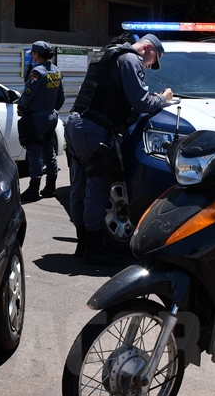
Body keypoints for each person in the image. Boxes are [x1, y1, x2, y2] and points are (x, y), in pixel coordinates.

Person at [65, 33, 173, 265]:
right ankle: (94, 251)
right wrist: (163, 99)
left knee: (79, 186)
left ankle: (82, 244)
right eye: (153, 60)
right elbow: (142, 103)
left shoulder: (109, 53)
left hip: (76, 123)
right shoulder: (131, 59)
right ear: (147, 48)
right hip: (93, 129)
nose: (150, 65)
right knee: (97, 189)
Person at [18, 41, 65, 201]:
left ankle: (34, 188)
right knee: (49, 150)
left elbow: (27, 96)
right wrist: (51, 109)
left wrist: (21, 104)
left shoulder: (37, 73)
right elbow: (61, 97)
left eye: (32, 54)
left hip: (36, 118)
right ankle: (50, 186)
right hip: (51, 117)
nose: (32, 56)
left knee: (35, 153)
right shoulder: (56, 71)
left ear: (36, 54)